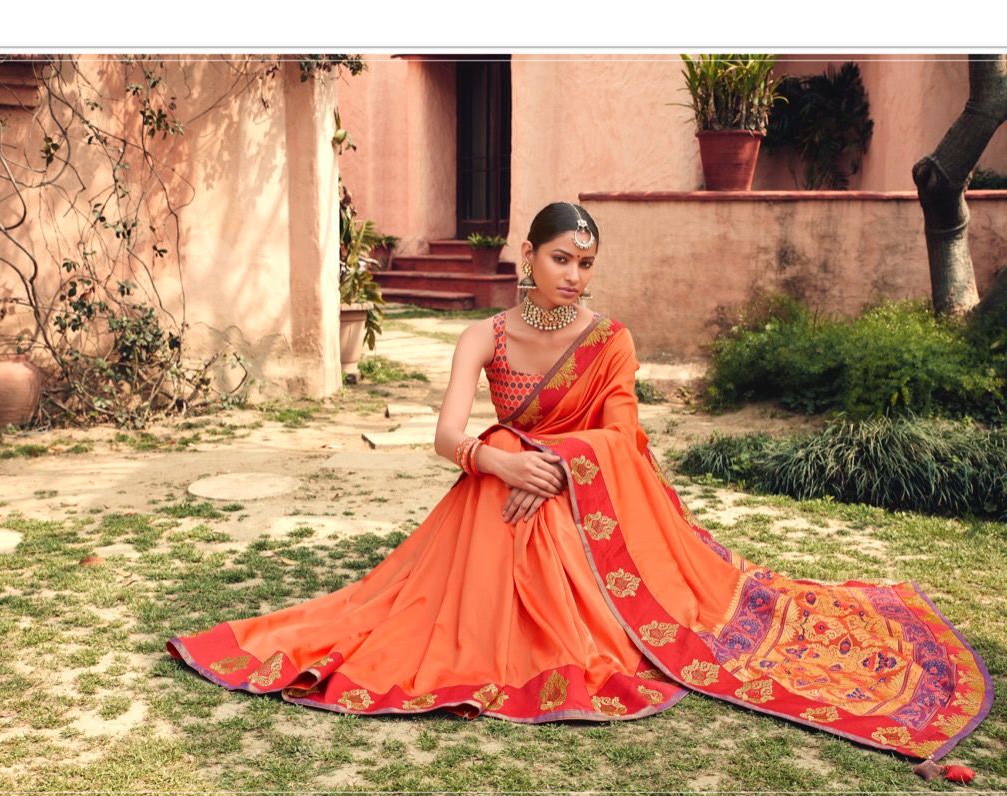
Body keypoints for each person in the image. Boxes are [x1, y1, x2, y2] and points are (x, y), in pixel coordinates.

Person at [168, 202, 991, 766]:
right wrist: (502, 458)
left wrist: (558, 462)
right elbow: (446, 436)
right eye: (561, 258)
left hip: (582, 496)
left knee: (533, 489)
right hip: (495, 487)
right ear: (527, 255)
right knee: (483, 491)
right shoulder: (483, 336)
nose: (573, 275)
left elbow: (623, 437)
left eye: (585, 263)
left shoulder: (611, 340)